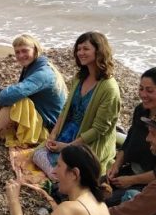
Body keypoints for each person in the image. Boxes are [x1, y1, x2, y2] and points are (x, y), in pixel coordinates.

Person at [32, 32, 121, 179]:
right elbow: (67, 108)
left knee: (70, 171)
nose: (80, 53)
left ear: (99, 51)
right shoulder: (80, 77)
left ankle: (61, 176)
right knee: (37, 154)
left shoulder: (109, 87)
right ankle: (60, 174)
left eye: (86, 49)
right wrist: (53, 134)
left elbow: (99, 130)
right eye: (78, 49)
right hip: (68, 132)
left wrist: (68, 147)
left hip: (87, 142)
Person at [0, 34, 67, 157]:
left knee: (16, 101)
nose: (20, 56)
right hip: (33, 116)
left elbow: (14, 94)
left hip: (44, 128)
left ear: (35, 49)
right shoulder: (32, 66)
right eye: (17, 52)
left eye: (25, 51)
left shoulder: (44, 73)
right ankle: (4, 126)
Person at [105, 67, 156, 206]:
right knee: (93, 187)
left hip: (150, 182)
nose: (143, 94)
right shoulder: (141, 110)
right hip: (131, 169)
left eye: (150, 90)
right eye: (141, 89)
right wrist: (116, 165)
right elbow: (129, 139)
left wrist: (131, 181)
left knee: (105, 201)